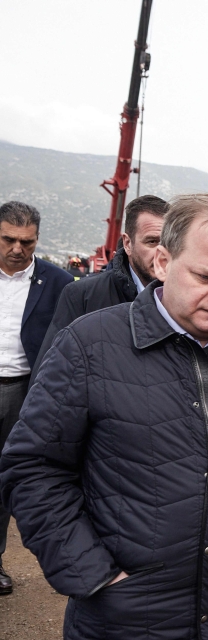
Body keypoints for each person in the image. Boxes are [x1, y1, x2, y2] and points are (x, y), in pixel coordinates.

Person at [0, 193, 208, 640]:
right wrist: (96, 576)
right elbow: (34, 468)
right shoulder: (89, 344)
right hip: (125, 626)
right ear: (162, 262)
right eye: (206, 277)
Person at [0, 200, 73, 596]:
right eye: (8, 239)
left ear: (37, 240)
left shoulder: (57, 283)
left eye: (26, 242)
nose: (17, 249)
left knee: (6, 479)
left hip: (23, 392)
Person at [33, 195, 170, 383]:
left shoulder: (187, 299)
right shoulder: (82, 296)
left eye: (167, 243)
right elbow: (52, 376)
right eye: (152, 242)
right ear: (128, 244)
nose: (162, 253)